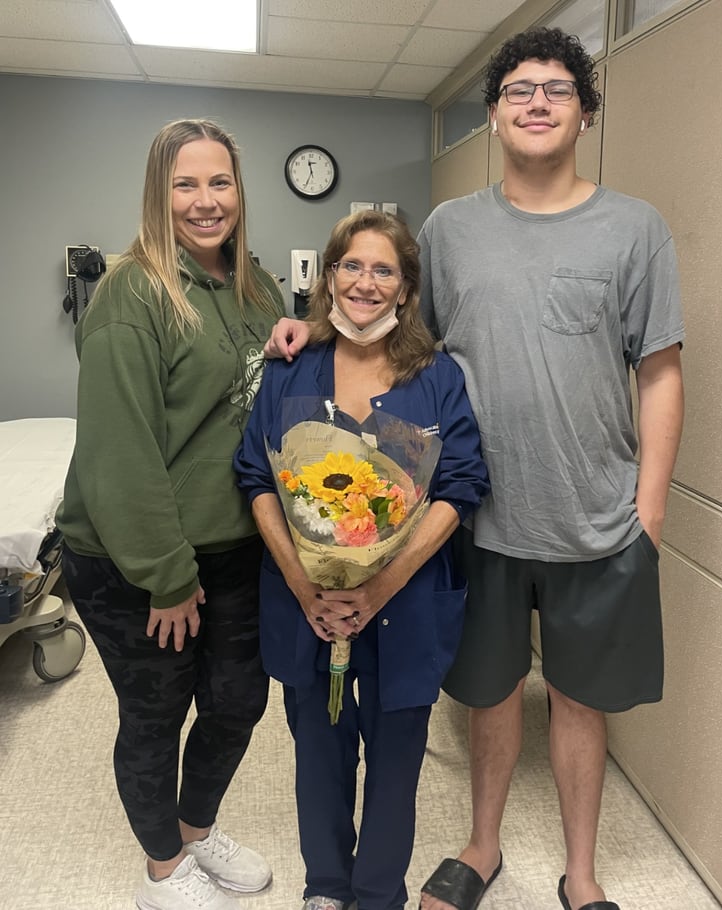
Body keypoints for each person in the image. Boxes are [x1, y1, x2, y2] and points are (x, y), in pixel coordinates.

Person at [265, 24, 685, 910]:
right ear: (494, 115)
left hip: (596, 517)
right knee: (490, 695)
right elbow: (396, 335)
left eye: (557, 89)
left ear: (584, 110)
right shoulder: (451, 230)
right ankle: (483, 848)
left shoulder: (635, 229)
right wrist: (306, 329)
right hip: (471, 520)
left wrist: (649, 510)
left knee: (578, 701)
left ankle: (582, 874)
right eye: (519, 90)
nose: (537, 103)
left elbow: (659, 368)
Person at [56, 119, 287, 910]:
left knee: (238, 703)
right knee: (156, 714)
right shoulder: (133, 294)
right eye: (184, 184)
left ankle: (196, 831)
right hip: (137, 557)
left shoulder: (256, 288)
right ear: (159, 194)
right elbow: (120, 455)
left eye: (219, 181)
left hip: (233, 546)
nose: (204, 200)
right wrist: (165, 576)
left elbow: (264, 398)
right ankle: (163, 868)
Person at [234, 209, 489, 910]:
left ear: (406, 288)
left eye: (385, 270)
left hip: (403, 611)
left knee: (395, 767)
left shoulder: (434, 378)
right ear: (330, 275)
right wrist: (301, 582)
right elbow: (258, 476)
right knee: (318, 759)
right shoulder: (292, 367)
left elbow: (461, 486)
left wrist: (378, 588)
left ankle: (377, 895)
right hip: (306, 611)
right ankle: (325, 887)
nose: (366, 283)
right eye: (352, 266)